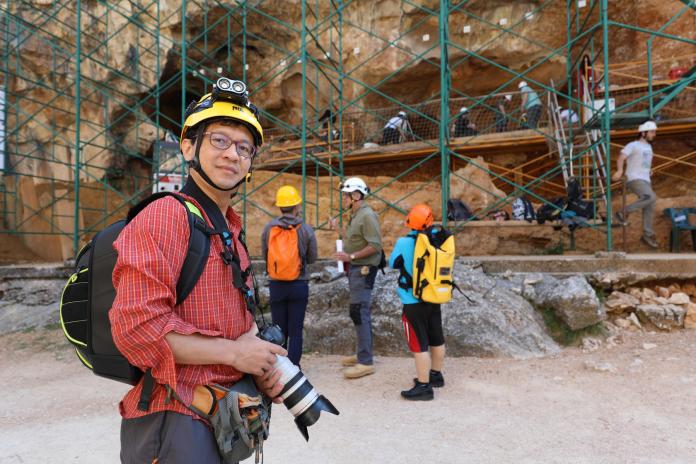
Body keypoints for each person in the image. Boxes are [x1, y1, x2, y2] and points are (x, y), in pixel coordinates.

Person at [110, 78, 288, 463]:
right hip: (175, 421)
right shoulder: (165, 217)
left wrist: (262, 361)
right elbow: (136, 331)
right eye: (219, 140)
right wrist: (236, 355)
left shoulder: (231, 230)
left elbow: (238, 323)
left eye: (244, 148)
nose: (232, 155)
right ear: (189, 146)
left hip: (221, 418)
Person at [389, 204, 445, 401]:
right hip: (433, 297)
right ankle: (435, 376)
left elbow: (392, 263)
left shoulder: (404, 242)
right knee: (436, 337)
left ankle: (423, 386)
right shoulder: (437, 239)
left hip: (412, 301)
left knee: (419, 344)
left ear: (410, 222)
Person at [328, 177, 383, 379]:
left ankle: (366, 362)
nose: (344, 199)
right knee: (357, 312)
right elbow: (353, 239)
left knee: (360, 312)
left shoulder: (367, 216)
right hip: (357, 270)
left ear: (356, 195)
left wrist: (349, 257)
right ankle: (362, 354)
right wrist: (337, 229)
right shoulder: (357, 214)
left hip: (364, 270)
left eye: (346, 195)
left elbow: (375, 245)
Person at [261, 185, 318, 367]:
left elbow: (265, 254)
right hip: (299, 285)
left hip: (276, 285)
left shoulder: (269, 228)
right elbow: (312, 258)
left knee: (279, 329)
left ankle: (281, 367)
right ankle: (295, 368)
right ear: (296, 206)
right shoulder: (306, 229)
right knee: (296, 330)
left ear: (280, 207)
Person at [611, 120, 659, 248]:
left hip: (645, 179)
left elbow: (644, 162)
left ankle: (647, 235)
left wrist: (649, 170)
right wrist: (620, 170)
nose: (654, 134)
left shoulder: (649, 147)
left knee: (650, 204)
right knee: (651, 197)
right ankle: (622, 212)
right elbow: (621, 157)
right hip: (634, 178)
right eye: (652, 132)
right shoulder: (633, 145)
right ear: (643, 133)